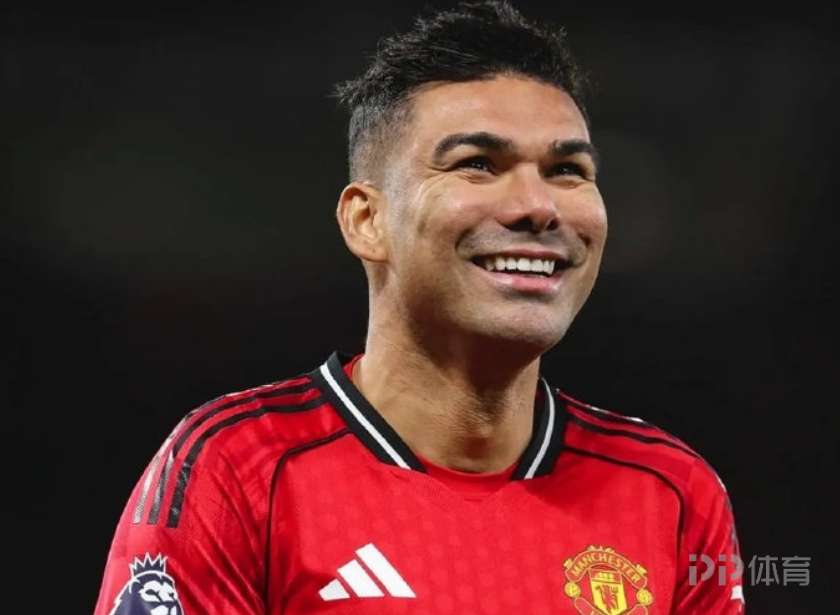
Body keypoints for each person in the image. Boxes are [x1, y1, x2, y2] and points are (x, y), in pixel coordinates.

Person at [94, 2, 744, 613]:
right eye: (478, 163)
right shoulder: (237, 469)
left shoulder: (670, 492)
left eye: (567, 170)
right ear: (367, 220)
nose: (538, 206)